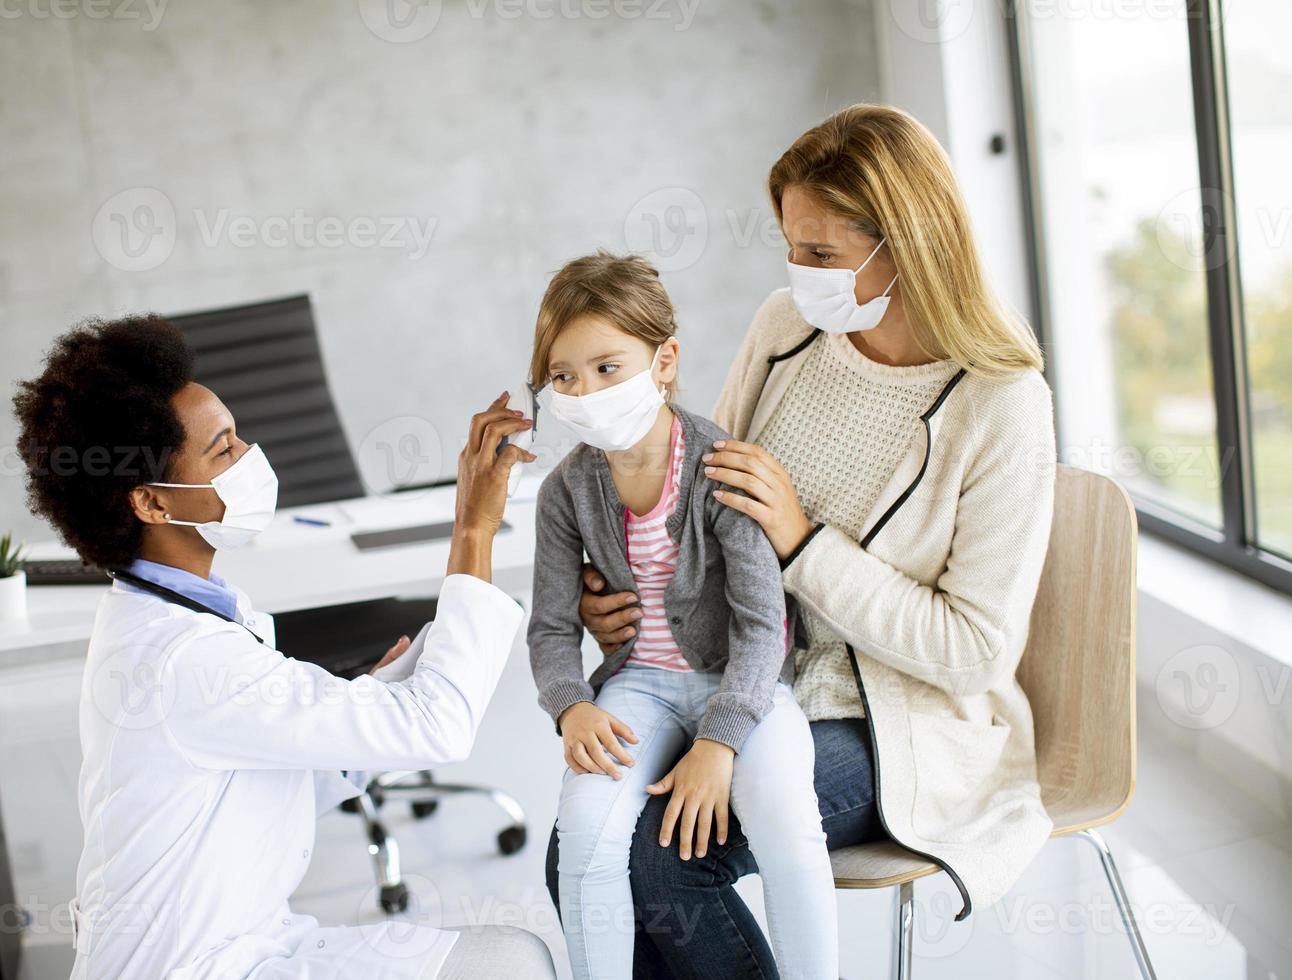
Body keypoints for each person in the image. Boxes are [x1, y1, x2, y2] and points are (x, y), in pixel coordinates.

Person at [546, 103, 1059, 977]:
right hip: (743, 666)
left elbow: (973, 651)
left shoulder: (999, 404)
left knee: (667, 860)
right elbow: (701, 505)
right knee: (576, 853)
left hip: (891, 720)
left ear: (907, 243)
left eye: (821, 255)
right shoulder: (789, 330)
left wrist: (804, 542)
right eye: (792, 246)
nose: (799, 275)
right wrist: (626, 591)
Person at [11, 316, 556, 980]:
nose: (250, 457)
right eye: (222, 450)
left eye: (238, 435)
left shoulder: (175, 611)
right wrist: (474, 526)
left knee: (514, 957)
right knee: (514, 963)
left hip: (243, 943)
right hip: (198, 967)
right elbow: (438, 728)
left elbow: (257, 783)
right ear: (153, 502)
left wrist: (364, 710)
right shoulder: (186, 658)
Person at [525, 253, 836, 979]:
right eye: (563, 376)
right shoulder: (566, 491)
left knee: (786, 817)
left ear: (664, 360)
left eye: (607, 368)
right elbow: (548, 629)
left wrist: (719, 743)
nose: (584, 391)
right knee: (586, 836)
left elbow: (765, 629)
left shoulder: (722, 466)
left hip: (743, 685)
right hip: (640, 686)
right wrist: (571, 707)